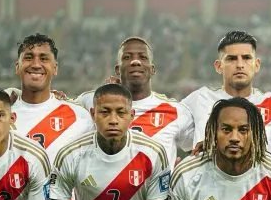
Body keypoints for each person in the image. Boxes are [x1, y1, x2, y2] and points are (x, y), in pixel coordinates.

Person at [8, 33, 93, 200]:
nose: (36, 64)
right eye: (28, 58)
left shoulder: (78, 116)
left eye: (44, 58)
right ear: (17, 66)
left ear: (55, 68)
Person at [75, 37, 195, 166]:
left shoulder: (176, 111)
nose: (136, 61)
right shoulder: (90, 101)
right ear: (117, 69)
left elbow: (198, 149)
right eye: (127, 57)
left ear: (153, 69)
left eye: (143, 57)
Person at [181, 30, 271, 152]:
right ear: (219, 66)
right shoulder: (199, 99)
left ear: (257, 65)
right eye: (232, 59)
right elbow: (172, 136)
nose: (240, 64)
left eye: (246, 58)